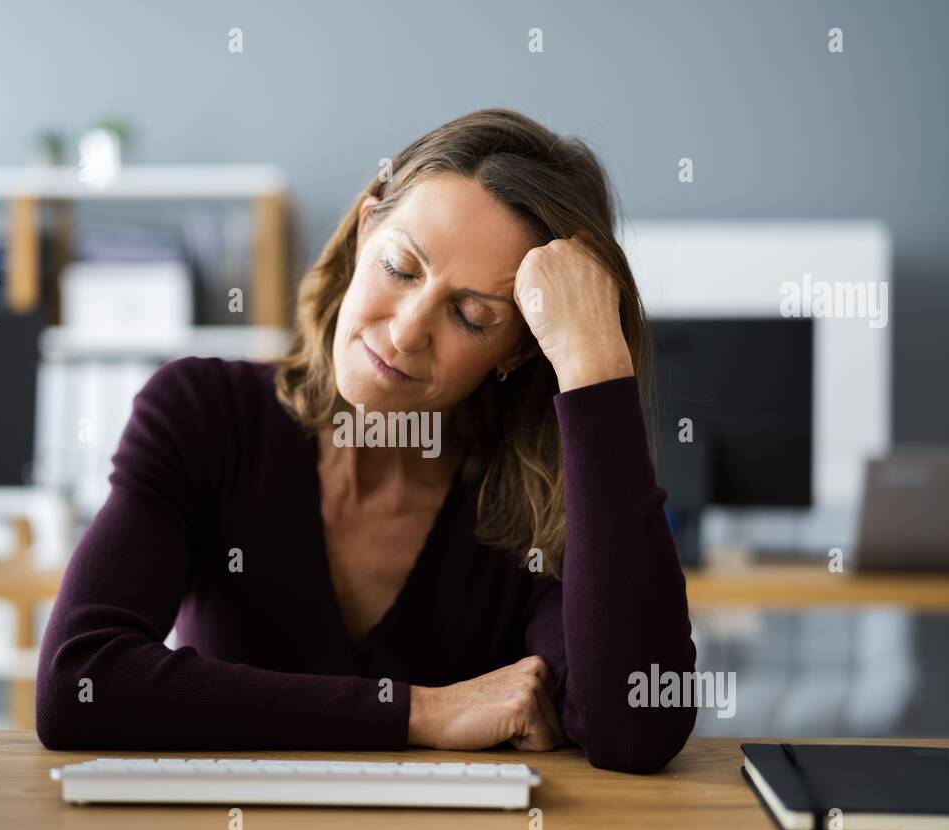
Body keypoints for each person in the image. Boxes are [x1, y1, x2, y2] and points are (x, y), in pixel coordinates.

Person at [36, 108, 697, 773]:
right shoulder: (203, 413)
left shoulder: (529, 495)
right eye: (401, 268)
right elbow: (80, 683)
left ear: (517, 352)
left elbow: (635, 728)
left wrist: (593, 363)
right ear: (364, 230)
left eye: (470, 315)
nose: (408, 331)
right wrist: (421, 712)